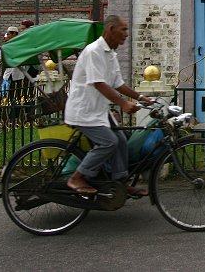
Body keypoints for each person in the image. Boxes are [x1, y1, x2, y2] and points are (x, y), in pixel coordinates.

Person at [64, 15, 153, 196]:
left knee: (120, 140)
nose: (127, 34)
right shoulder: (93, 51)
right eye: (123, 29)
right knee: (108, 142)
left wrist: (141, 97)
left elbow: (118, 84)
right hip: (84, 111)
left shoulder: (110, 54)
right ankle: (77, 177)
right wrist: (123, 103)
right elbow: (99, 83)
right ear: (111, 29)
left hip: (99, 110)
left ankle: (119, 182)